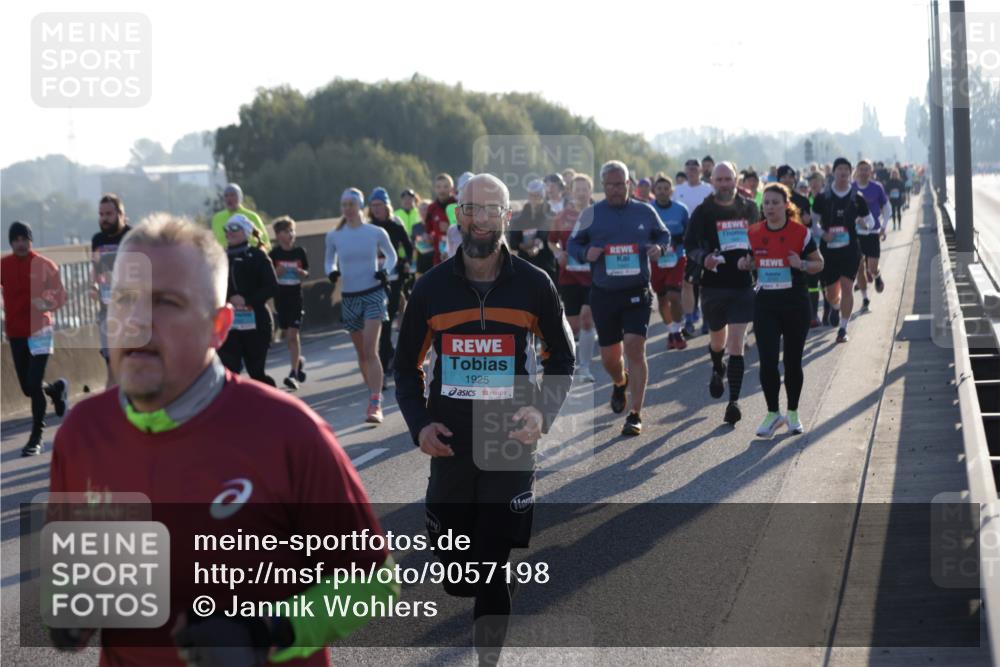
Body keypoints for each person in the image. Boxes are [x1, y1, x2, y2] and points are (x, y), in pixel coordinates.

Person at [48, 214, 397, 665]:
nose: (136, 321)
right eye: (125, 299)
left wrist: (271, 631)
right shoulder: (81, 432)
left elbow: (374, 583)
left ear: (219, 325)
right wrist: (71, 608)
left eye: (166, 302)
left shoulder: (288, 430)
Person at [395, 173, 574, 667]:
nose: (479, 218)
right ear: (458, 215)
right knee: (458, 574)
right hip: (450, 440)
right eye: (470, 208)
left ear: (507, 216)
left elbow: (563, 357)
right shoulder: (431, 289)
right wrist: (420, 425)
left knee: (492, 566)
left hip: (508, 439)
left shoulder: (534, 285)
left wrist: (542, 412)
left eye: (491, 208)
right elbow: (406, 367)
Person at [568, 160, 671, 436]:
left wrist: (660, 247)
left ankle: (635, 414)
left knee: (635, 347)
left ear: (629, 184)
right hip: (604, 293)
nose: (616, 189)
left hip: (636, 291)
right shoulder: (591, 214)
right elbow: (572, 243)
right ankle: (619, 381)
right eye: (610, 185)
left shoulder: (644, 211)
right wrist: (584, 252)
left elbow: (664, 234)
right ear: (603, 186)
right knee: (610, 358)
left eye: (620, 184)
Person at [739, 184, 824, 437]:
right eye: (766, 203)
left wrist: (802, 264)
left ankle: (794, 413)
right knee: (767, 362)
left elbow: (819, 264)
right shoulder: (753, 232)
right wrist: (745, 264)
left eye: (775, 202)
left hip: (795, 304)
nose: (770, 207)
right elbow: (749, 260)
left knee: (792, 362)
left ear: (786, 205)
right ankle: (773, 413)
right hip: (766, 304)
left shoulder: (800, 233)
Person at [684, 161, 760, 426]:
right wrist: (704, 258)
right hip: (713, 286)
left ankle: (733, 402)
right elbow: (689, 246)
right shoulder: (703, 212)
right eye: (720, 180)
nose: (724, 184)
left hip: (742, 285)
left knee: (736, 345)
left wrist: (753, 259)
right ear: (712, 181)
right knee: (718, 342)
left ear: (736, 180)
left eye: (729, 179)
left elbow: (760, 240)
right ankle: (717, 366)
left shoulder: (750, 208)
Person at [325, 188, 397, 424]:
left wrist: (384, 270)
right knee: (361, 354)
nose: (347, 208)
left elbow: (392, 255)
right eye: (343, 204)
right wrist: (332, 272)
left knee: (370, 349)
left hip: (374, 294)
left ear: (359, 206)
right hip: (350, 297)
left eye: (351, 204)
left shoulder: (375, 232)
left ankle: (375, 404)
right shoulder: (334, 236)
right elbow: (328, 260)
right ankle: (372, 394)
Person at [1, 221, 68, 456]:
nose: (20, 244)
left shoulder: (44, 265)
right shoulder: (4, 265)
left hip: (41, 330)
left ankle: (35, 438)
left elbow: (61, 296)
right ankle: (55, 389)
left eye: (24, 239)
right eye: (16, 239)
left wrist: (48, 303)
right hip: (16, 332)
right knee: (28, 388)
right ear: (10, 242)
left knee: (33, 381)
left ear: (30, 240)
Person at [812, 157, 874, 343]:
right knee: (832, 294)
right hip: (829, 251)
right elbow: (813, 223)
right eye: (839, 169)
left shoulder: (857, 198)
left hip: (850, 250)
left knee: (847, 286)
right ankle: (835, 307)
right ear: (834, 172)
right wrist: (823, 234)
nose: (843, 172)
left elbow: (870, 222)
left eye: (846, 169)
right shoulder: (823, 197)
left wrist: (864, 224)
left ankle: (843, 328)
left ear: (850, 172)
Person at [219, 215, 279, 387]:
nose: (229, 232)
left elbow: (272, 287)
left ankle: (272, 407)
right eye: (227, 229)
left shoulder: (258, 256)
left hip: (257, 324)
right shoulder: (220, 258)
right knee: (228, 372)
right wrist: (227, 299)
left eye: (235, 228)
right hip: (229, 324)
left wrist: (247, 300)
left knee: (256, 373)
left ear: (246, 232)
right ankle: (232, 412)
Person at [551, 173, 598, 382]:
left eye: (584, 189)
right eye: (577, 189)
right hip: (569, 276)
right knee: (573, 325)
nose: (580, 193)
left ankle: (584, 368)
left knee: (587, 321)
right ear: (571, 191)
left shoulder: (599, 214)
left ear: (590, 191)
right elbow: (552, 241)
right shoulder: (562, 216)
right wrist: (558, 253)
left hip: (594, 276)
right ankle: (569, 363)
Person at [368, 187, 414, 384]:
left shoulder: (395, 226)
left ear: (387, 207)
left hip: (394, 280)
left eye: (379, 205)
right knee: (378, 322)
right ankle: (387, 357)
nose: (376, 209)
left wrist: (405, 263)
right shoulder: (367, 229)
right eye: (373, 206)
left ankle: (386, 361)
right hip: (373, 281)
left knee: (387, 322)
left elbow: (409, 247)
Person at [90, 193, 132, 388]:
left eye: (108, 213)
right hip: (106, 308)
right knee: (110, 358)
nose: (104, 218)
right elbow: (96, 268)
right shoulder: (97, 239)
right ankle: (115, 400)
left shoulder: (132, 236)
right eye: (101, 214)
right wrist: (93, 285)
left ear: (120, 213)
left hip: (131, 308)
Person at [648, 176, 691, 350]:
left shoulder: (681, 209)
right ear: (654, 191)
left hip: (677, 257)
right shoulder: (648, 210)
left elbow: (689, 231)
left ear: (671, 191)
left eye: (666, 188)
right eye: (659, 188)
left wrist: (680, 239)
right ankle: (671, 331)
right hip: (656, 259)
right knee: (662, 298)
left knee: (674, 295)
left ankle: (678, 329)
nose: (663, 191)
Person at [269, 216, 309, 390]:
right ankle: (298, 361)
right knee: (288, 335)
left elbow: (307, 272)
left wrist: (301, 272)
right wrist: (277, 272)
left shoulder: (300, 252)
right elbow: (269, 278)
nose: (290, 234)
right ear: (278, 235)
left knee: (293, 336)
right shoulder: (274, 254)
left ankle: (293, 374)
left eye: (292, 230)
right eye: (286, 231)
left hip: (295, 298)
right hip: (280, 298)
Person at [777, 166, 820, 326]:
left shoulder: (801, 200)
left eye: (790, 177)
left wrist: (807, 219)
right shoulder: (772, 199)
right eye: (784, 177)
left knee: (811, 282)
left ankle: (813, 315)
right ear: (778, 179)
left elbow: (808, 223)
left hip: (801, 247)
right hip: (779, 248)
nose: (788, 180)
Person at [852, 159, 889, 309]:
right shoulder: (851, 188)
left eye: (866, 169)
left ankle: (877, 275)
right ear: (857, 171)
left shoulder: (877, 187)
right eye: (861, 169)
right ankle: (865, 298)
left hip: (873, 232)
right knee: (859, 267)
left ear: (871, 171)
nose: (863, 172)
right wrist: (856, 219)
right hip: (856, 233)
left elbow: (887, 208)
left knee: (872, 268)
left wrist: (884, 227)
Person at [509, 179, 558, 286]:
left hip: (546, 265)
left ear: (543, 196)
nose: (534, 199)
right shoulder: (521, 216)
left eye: (537, 195)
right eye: (531, 195)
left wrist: (536, 246)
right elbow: (513, 241)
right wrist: (523, 246)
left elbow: (546, 236)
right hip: (525, 266)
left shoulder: (551, 214)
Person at [210, 183, 270, 251]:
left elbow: (264, 241)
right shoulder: (217, 218)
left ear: (240, 197)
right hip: (225, 258)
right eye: (226, 196)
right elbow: (213, 242)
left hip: (250, 257)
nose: (229, 198)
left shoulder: (252, 216)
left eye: (232, 195)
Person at [424, 173, 456, 267]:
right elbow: (428, 231)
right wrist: (427, 237)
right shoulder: (431, 208)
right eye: (438, 187)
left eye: (446, 187)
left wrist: (450, 228)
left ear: (452, 188)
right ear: (435, 189)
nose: (442, 190)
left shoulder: (458, 205)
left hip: (456, 255)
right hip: (438, 257)